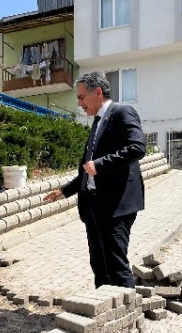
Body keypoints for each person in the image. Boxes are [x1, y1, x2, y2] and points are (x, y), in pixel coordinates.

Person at [44, 71, 146, 288]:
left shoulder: (122, 112)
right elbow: (86, 170)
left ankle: (127, 315)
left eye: (81, 97)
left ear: (98, 92)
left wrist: (100, 164)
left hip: (116, 205)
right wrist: (64, 190)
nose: (79, 104)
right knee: (99, 265)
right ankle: (103, 312)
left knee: (115, 265)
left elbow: (137, 148)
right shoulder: (98, 122)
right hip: (94, 206)